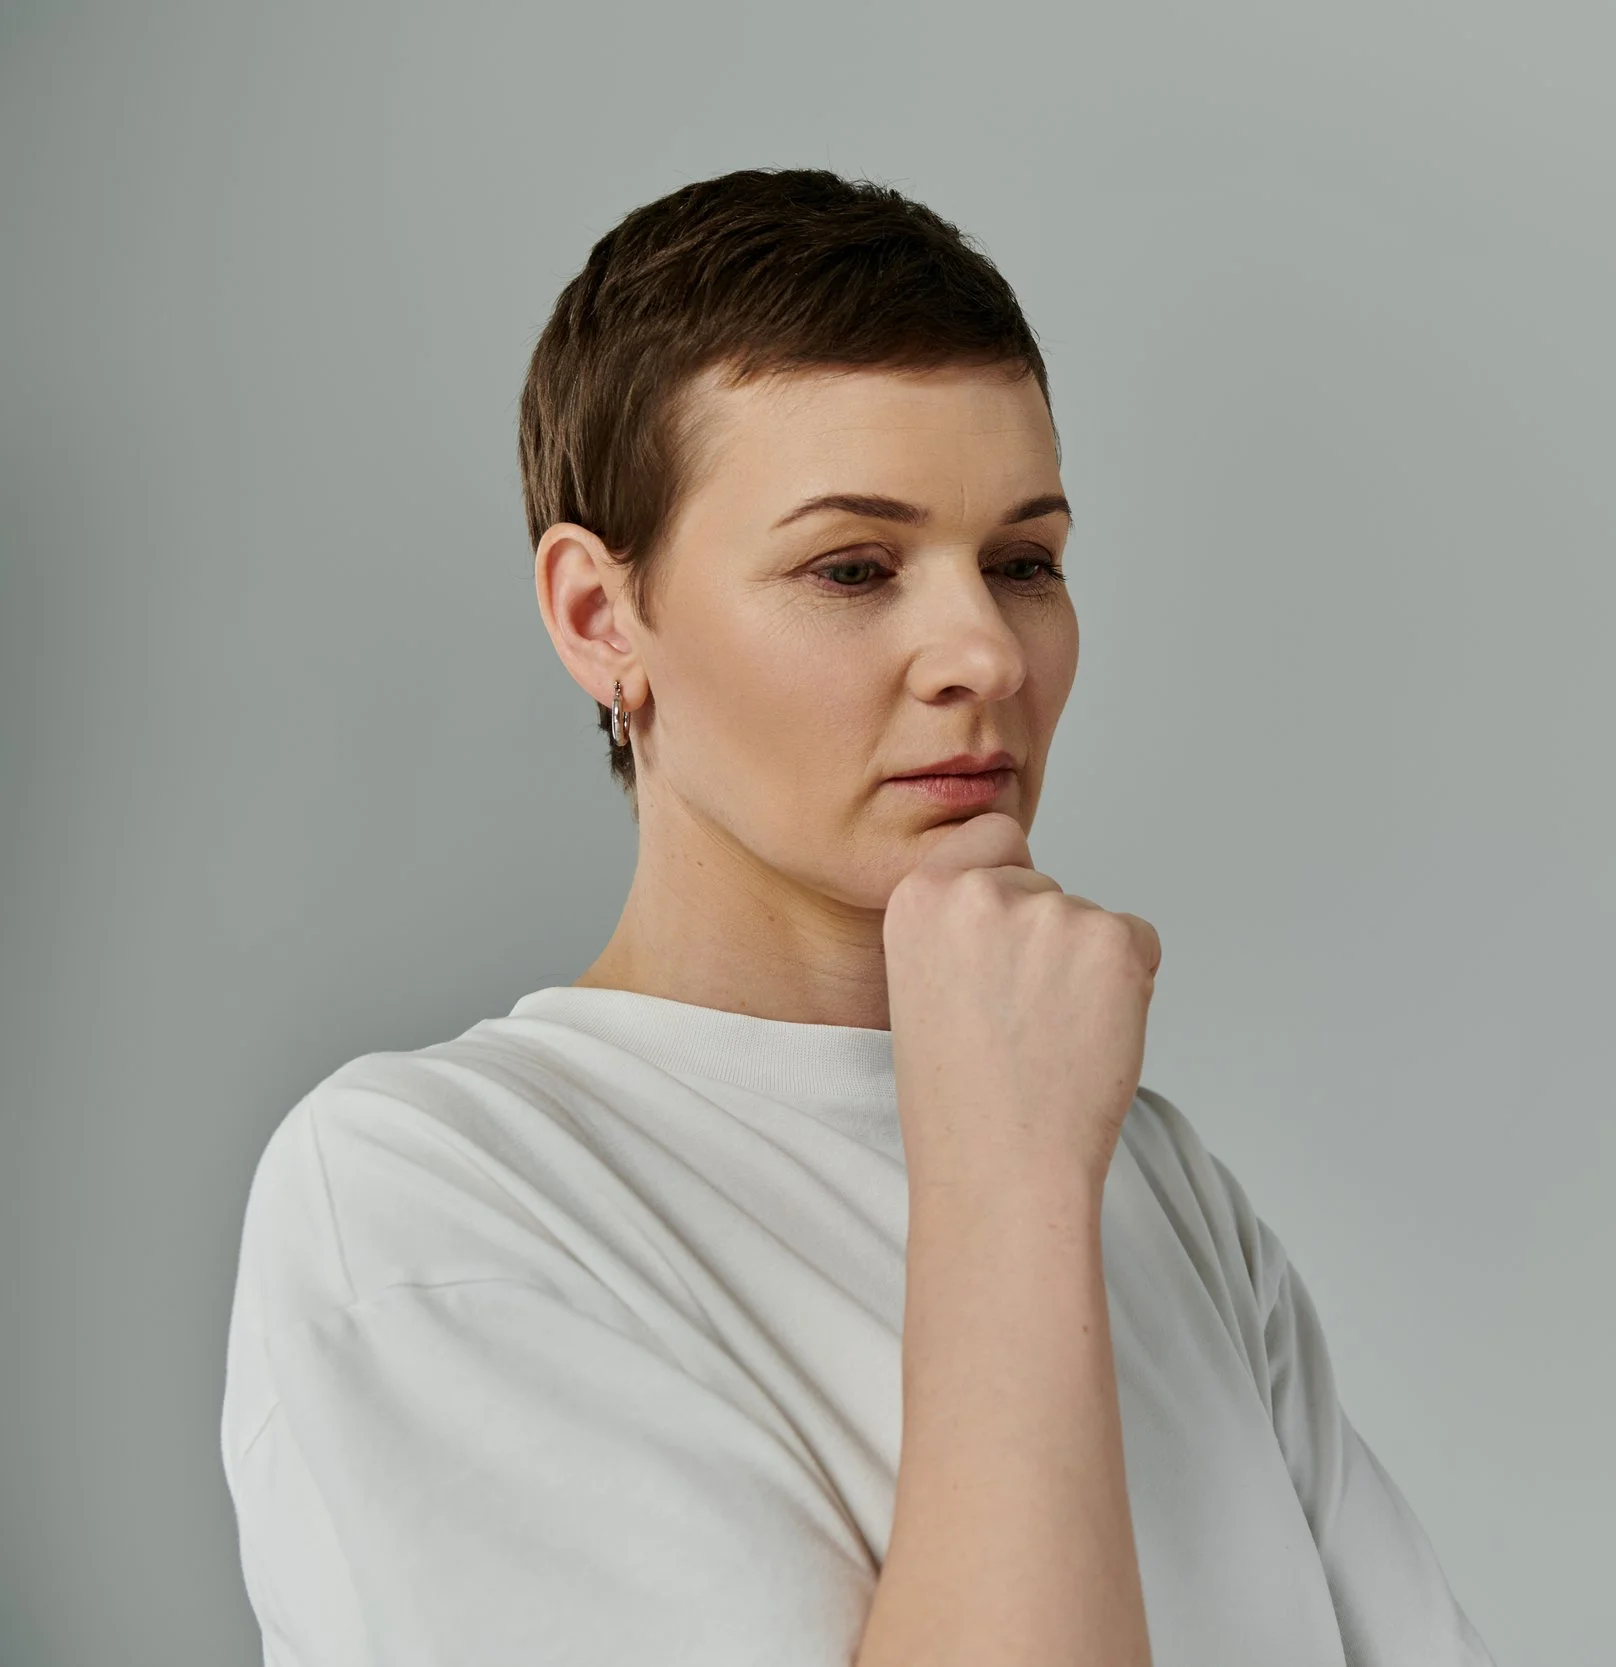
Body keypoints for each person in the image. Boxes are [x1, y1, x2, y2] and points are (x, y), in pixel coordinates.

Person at [218, 167, 1498, 1667]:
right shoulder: (430, 1199)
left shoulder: (1160, 1189)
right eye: (852, 568)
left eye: (1024, 563)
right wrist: (1008, 1175)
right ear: (599, 617)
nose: (985, 653)